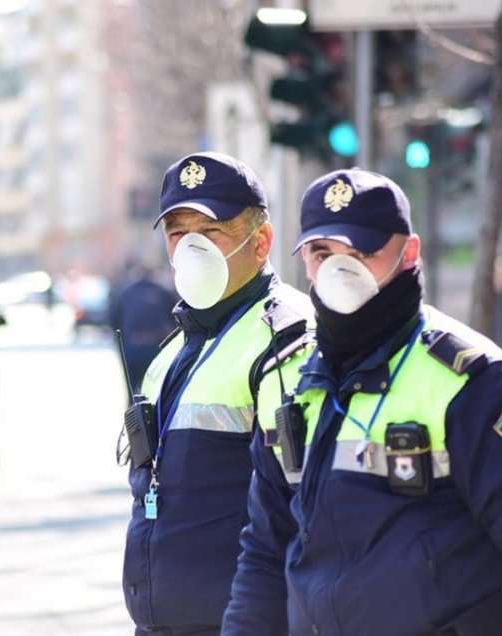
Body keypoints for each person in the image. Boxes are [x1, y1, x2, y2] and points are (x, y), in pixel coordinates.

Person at [222, 168, 502, 636]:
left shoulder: (474, 381)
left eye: (360, 251)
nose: (340, 270)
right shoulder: (295, 382)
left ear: (408, 252)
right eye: (322, 253)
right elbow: (264, 550)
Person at [122, 151, 313, 636]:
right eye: (177, 234)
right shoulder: (176, 348)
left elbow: (300, 507)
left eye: (209, 233)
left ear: (260, 241)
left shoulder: (286, 339)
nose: (190, 248)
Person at [109, 264, 177, 392]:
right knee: (158, 392)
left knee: (132, 392)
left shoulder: (126, 292)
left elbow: (114, 322)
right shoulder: (162, 291)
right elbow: (176, 320)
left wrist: (122, 346)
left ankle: (133, 409)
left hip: (133, 347)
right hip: (157, 348)